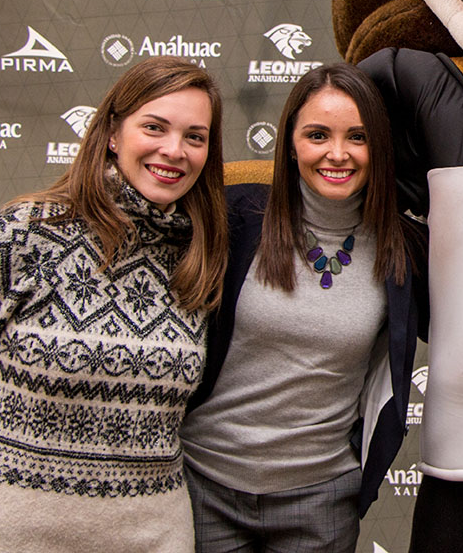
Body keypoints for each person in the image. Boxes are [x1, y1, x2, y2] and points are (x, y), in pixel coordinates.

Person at [180, 62, 422, 553]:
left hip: (320, 499)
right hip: (203, 486)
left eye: (357, 137)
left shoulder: (404, 249)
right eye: (317, 135)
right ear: (290, 144)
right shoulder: (233, 218)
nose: (338, 154)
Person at [0, 56, 227, 553]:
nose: (174, 150)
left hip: (155, 535)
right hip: (14, 533)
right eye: (154, 127)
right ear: (113, 133)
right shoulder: (26, 232)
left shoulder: (198, 255)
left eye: (195, 136)